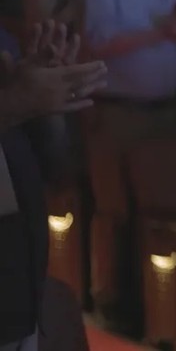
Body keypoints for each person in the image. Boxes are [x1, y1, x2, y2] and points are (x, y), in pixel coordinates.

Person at [1, 21, 106, 351]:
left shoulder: (5, 42)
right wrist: (9, 107)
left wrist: (48, 106)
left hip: (19, 286)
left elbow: (55, 163)